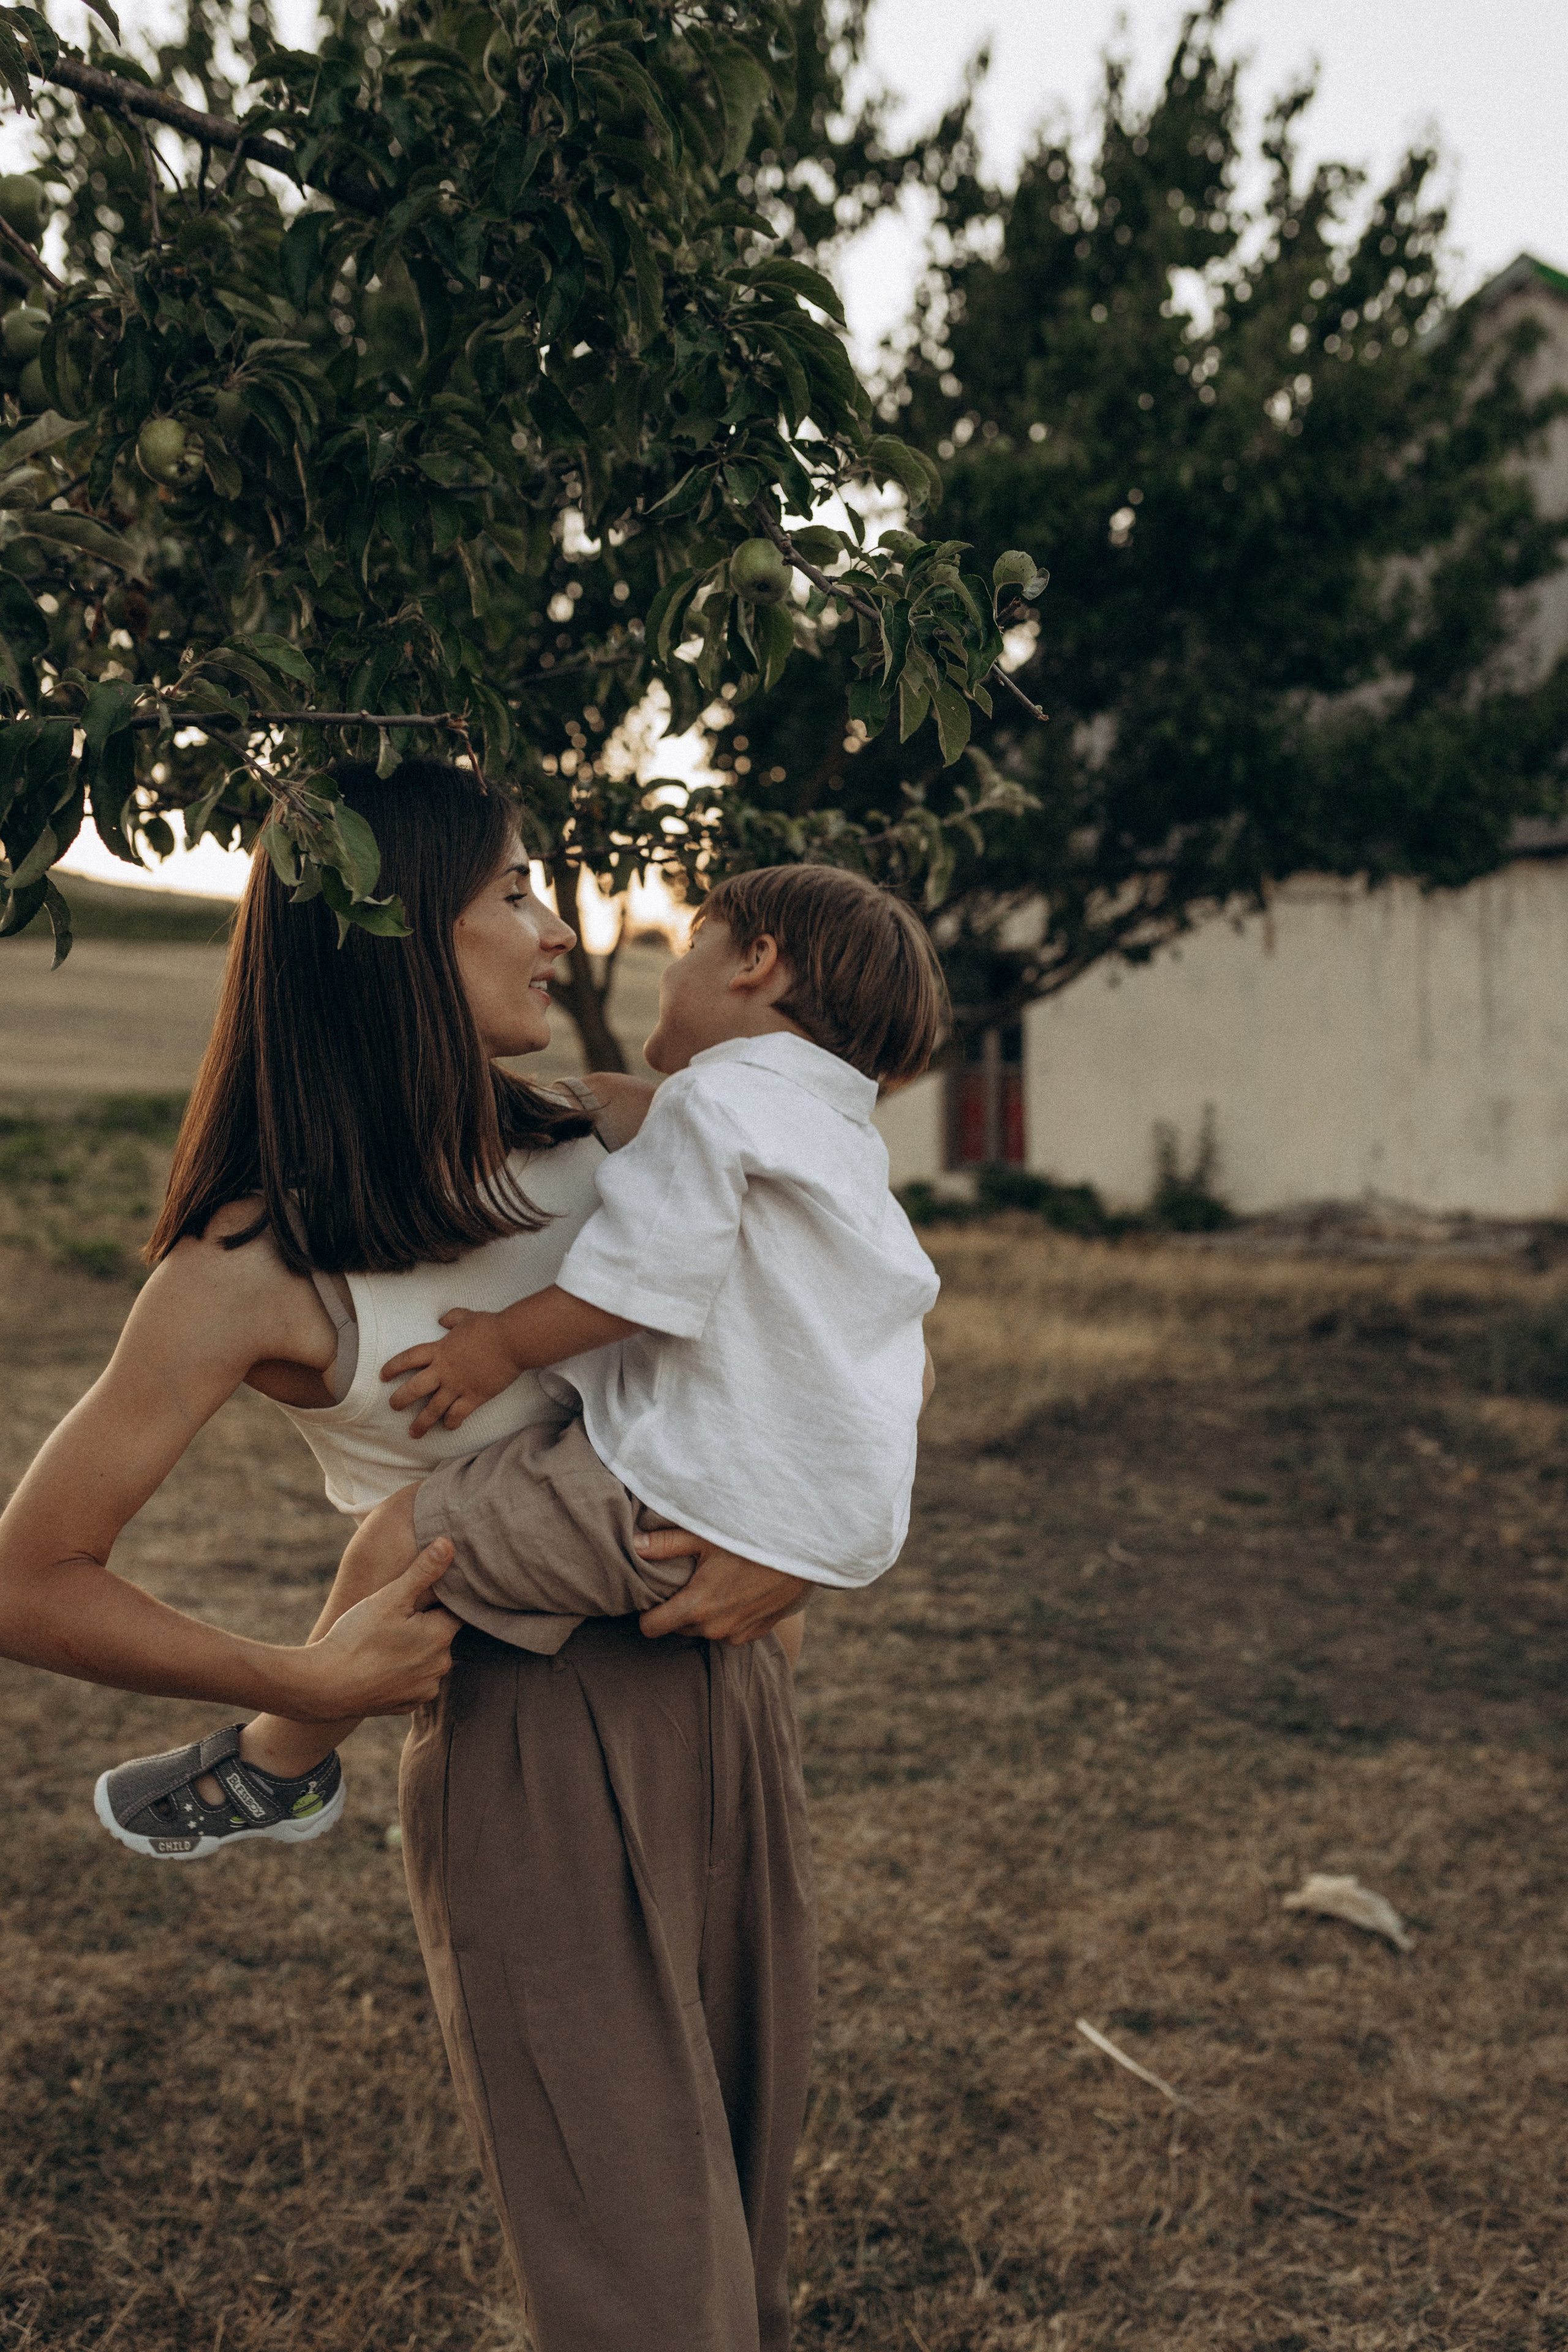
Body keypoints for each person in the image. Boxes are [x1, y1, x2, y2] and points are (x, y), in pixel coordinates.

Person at [0, 760, 829, 2352]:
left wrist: (802, 1560)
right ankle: (270, 1767)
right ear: (395, 943)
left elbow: (838, 1307)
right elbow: (33, 1575)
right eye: (514, 895)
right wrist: (299, 1680)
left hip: (733, 1700)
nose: (559, 938)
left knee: (745, 2264)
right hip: (524, 1750)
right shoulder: (254, 1264)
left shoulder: (620, 1136)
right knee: (647, 2299)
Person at [102, 862, 945, 1822]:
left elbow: (664, 1285)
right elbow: (886, 1338)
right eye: (513, 895)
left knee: (398, 1540)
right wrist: (810, 1527)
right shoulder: (833, 1139)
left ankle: (277, 1762)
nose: (565, 936)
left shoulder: (687, 1114)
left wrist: (500, 1348)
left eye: (687, 940)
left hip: (689, 1585)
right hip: (631, 1725)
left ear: (757, 962)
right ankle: (284, 1746)